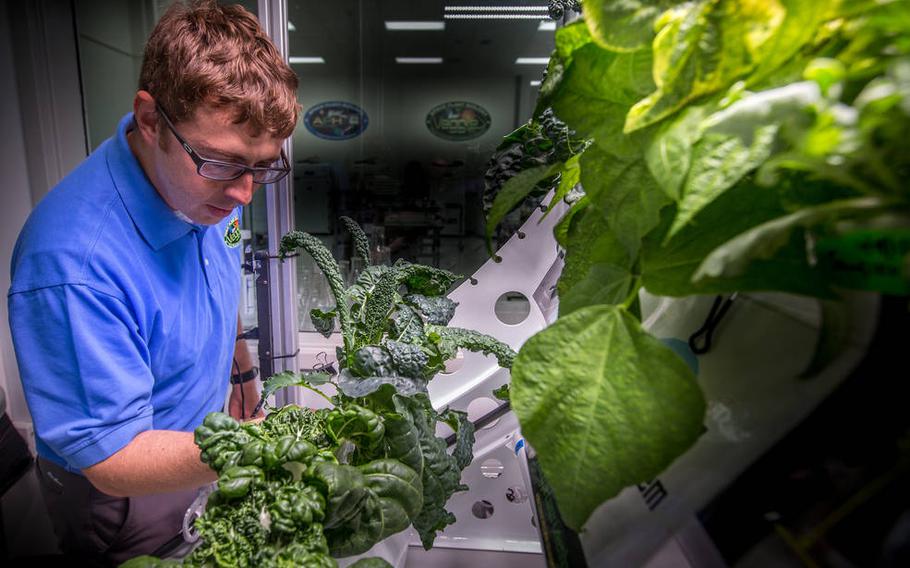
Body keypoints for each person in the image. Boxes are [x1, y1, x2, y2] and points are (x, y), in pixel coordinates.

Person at [6, 1, 298, 564]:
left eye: (264, 166)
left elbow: (219, 285)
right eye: (225, 163)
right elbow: (112, 459)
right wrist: (263, 446)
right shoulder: (73, 267)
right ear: (149, 118)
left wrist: (243, 387)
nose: (245, 193)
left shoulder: (210, 192)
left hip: (203, 446)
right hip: (121, 496)